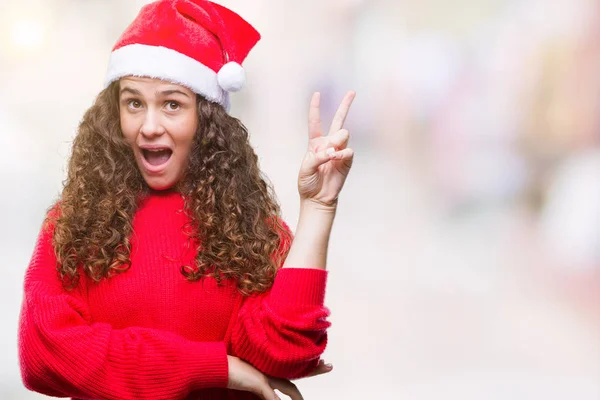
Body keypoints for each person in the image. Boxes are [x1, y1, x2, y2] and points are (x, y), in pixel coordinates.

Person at [17, 1, 355, 399]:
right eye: (134, 103)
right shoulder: (72, 223)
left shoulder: (247, 226)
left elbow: (284, 352)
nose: (150, 126)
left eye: (172, 104)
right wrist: (219, 367)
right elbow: (44, 356)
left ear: (206, 119)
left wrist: (318, 207)